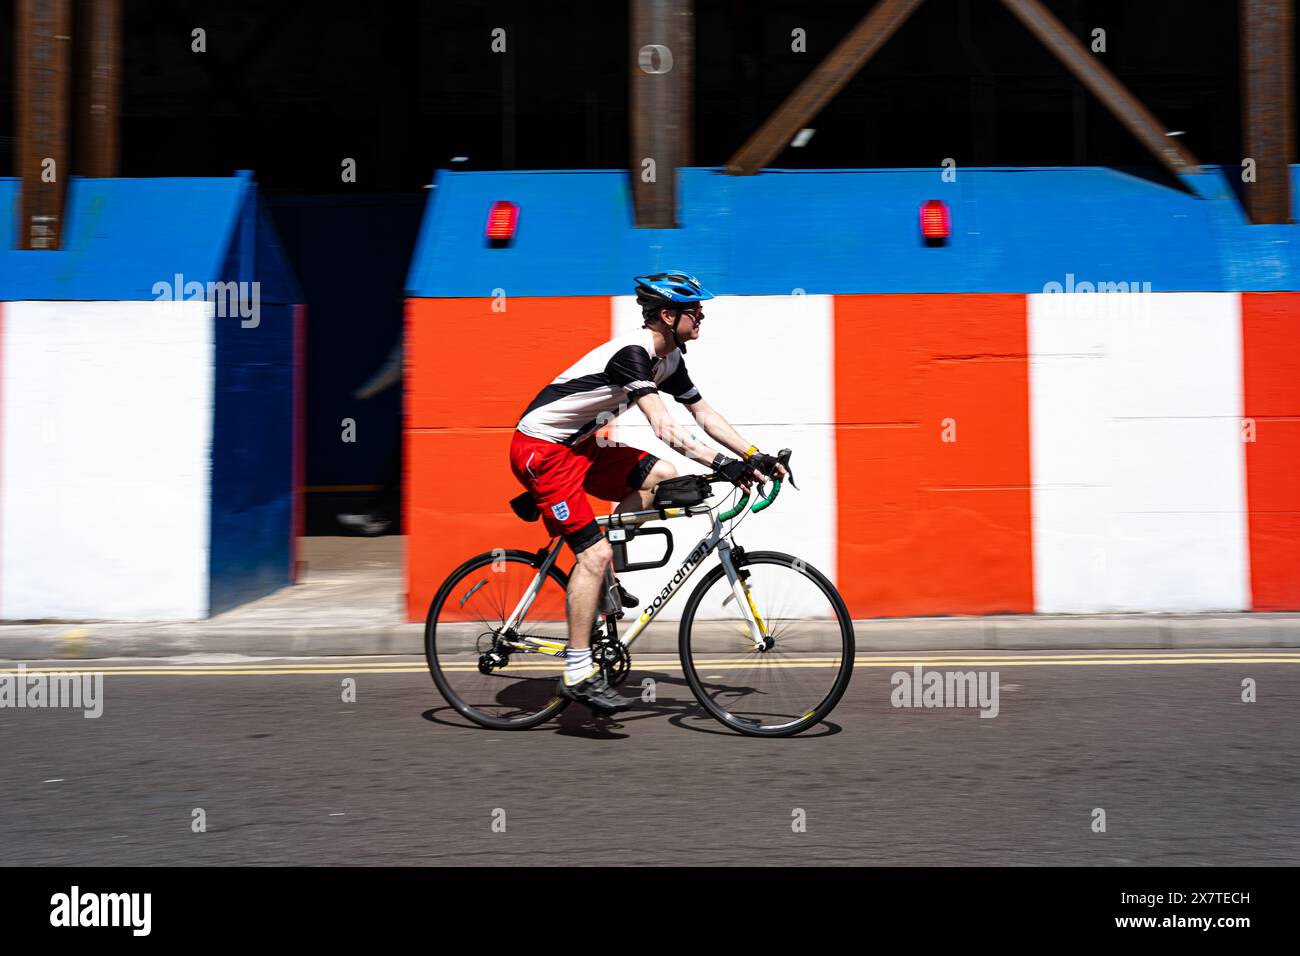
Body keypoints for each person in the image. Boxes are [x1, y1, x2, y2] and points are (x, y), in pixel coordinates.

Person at [508, 271, 788, 713]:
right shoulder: (633, 355)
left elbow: (703, 414)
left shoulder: (670, 359)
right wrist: (721, 464)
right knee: (593, 555)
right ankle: (578, 669)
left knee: (661, 473)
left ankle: (605, 580)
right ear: (666, 315)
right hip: (542, 451)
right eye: (694, 309)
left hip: (581, 446)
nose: (701, 316)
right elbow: (664, 425)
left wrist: (753, 454)